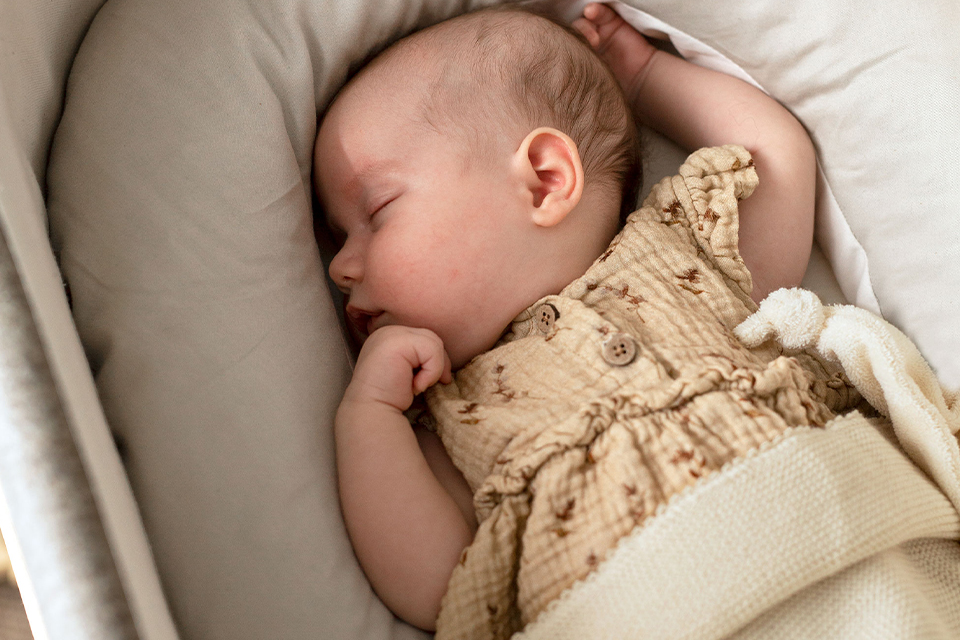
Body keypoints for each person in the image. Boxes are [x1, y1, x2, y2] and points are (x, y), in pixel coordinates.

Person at [313, 3, 835, 636]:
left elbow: (773, 152)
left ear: (542, 181)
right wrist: (369, 417)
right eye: (339, 236)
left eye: (379, 209)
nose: (341, 266)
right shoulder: (454, 411)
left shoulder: (689, 253)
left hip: (837, 539)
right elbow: (438, 586)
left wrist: (643, 81)